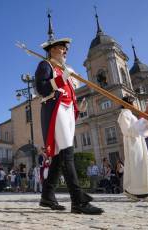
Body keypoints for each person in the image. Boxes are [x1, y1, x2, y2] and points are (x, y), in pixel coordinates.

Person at [34, 13, 103, 214]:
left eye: (65, 48)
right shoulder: (45, 65)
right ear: (51, 50)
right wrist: (61, 79)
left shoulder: (65, 69)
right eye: (60, 47)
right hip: (55, 111)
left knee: (58, 157)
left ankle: (47, 195)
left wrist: (78, 109)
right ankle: (78, 201)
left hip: (66, 111)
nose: (65, 50)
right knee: (67, 153)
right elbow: (42, 89)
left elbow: (70, 95)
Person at [117, 96, 148, 202]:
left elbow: (138, 129)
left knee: (141, 166)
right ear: (130, 103)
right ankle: (139, 193)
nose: (137, 106)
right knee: (137, 166)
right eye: (135, 103)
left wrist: (145, 123)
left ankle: (141, 192)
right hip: (132, 142)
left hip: (138, 141)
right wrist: (145, 121)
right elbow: (127, 131)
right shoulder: (124, 114)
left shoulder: (130, 114)